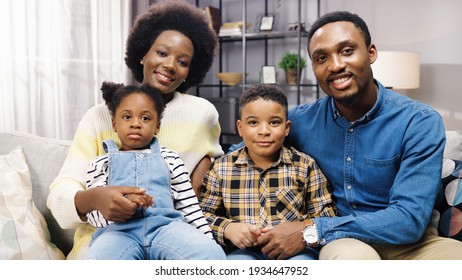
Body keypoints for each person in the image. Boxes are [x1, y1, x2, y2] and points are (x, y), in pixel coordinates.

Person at [230, 11, 462, 260]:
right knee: (352, 261)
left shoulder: (419, 121)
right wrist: (202, 164)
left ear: (371, 53)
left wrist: (311, 229)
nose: (335, 65)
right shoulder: (298, 122)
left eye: (347, 51)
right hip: (344, 242)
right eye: (321, 57)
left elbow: (409, 219)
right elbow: (241, 152)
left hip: (409, 242)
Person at [47, 0, 223, 259]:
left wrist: (204, 168)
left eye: (183, 61)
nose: (171, 65)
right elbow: (60, 194)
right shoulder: (99, 116)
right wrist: (95, 199)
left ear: (190, 71)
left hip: (172, 233)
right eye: (162, 53)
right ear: (143, 53)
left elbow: (219, 165)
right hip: (105, 237)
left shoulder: (202, 113)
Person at [84, 82, 225, 260]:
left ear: (157, 127)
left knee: (211, 254)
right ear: (114, 124)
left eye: (145, 118)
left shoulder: (170, 158)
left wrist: (207, 240)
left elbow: (189, 206)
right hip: (118, 232)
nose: (136, 124)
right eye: (127, 117)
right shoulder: (100, 164)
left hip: (166, 228)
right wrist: (124, 206)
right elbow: (95, 217)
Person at [199, 84, 336, 260]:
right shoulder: (222, 168)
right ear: (240, 128)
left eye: (274, 122)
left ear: (287, 128)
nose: (264, 131)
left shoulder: (305, 166)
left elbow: (325, 215)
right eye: (253, 122)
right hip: (244, 251)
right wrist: (227, 228)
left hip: (295, 250)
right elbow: (202, 215)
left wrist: (302, 231)